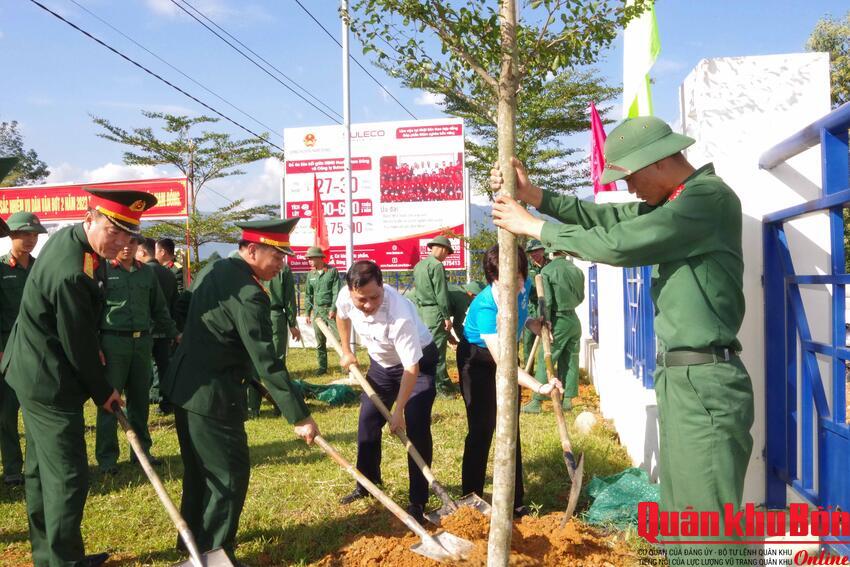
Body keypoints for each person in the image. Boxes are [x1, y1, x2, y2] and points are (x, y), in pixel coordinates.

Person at [490, 116, 754, 553]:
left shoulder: (706, 198)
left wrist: (535, 226)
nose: (629, 188)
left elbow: (618, 244)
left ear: (656, 162)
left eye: (629, 176)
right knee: (683, 521)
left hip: (705, 379)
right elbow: (606, 218)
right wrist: (536, 197)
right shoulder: (677, 202)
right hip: (684, 378)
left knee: (708, 529)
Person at [2, 188, 157, 567]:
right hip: (48, 380)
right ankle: (65, 562)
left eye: (129, 235)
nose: (120, 242)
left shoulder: (71, 240)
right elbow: (77, 345)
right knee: (69, 476)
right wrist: (104, 390)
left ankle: (50, 556)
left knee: (40, 472)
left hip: (32, 368)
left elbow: (77, 328)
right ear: (90, 219)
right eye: (113, 230)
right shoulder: (71, 270)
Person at [160, 219, 319, 562]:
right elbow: (267, 361)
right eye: (276, 256)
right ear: (251, 250)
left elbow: (183, 305)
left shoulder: (216, 268)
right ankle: (214, 552)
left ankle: (192, 546)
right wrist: (300, 415)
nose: (281, 264)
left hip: (185, 385)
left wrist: (192, 340)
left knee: (199, 471)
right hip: (213, 396)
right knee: (229, 474)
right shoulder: (249, 294)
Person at [458, 244, 563, 517]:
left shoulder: (524, 283)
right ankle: (471, 499)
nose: (515, 286)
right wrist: (539, 386)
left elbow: (521, 313)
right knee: (482, 429)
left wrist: (533, 324)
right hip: (477, 360)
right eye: (506, 282)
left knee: (510, 427)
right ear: (492, 278)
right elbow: (504, 363)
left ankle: (516, 501)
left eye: (518, 278)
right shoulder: (485, 306)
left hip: (505, 349)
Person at [335, 260, 437, 524]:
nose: (368, 305)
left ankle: (418, 501)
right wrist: (347, 350)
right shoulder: (347, 295)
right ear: (351, 291)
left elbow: (411, 368)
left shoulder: (399, 314)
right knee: (368, 420)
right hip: (381, 365)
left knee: (415, 426)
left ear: (382, 286)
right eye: (362, 300)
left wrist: (399, 410)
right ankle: (367, 483)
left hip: (417, 364)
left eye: (374, 297)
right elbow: (341, 316)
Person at [95, 236, 178, 473]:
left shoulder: (147, 274)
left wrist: (175, 333)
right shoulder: (102, 271)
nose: (126, 247)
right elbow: (93, 309)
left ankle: (142, 452)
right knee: (110, 402)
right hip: (113, 342)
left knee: (140, 400)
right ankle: (107, 460)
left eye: (131, 243)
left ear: (138, 248)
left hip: (142, 342)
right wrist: (95, 344)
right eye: (122, 243)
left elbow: (159, 308)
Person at [0, 211, 46, 485]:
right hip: (7, 349)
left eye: (34, 235)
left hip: (37, 351)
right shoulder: (1, 269)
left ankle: (35, 466)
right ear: (11, 236)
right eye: (24, 234)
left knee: (36, 413)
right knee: (6, 413)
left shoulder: (41, 269)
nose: (30, 239)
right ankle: (13, 468)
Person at [525, 247, 584, 414]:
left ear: (550, 253)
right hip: (574, 319)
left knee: (546, 358)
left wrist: (545, 322)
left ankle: (537, 401)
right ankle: (567, 400)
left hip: (557, 320)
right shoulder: (577, 270)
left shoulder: (547, 271)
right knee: (571, 359)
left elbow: (546, 301)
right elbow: (581, 297)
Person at [246, 259, 301, 419]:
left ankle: (253, 408)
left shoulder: (253, 267)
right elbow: (290, 299)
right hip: (276, 316)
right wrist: (292, 323)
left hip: (254, 314)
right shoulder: (283, 269)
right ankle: (281, 405)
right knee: (277, 363)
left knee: (255, 361)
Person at [136, 237, 179, 415]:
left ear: (143, 252)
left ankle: (141, 404)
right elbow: (174, 303)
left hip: (147, 329)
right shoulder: (169, 273)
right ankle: (167, 403)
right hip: (165, 328)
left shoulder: (143, 273)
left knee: (143, 371)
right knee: (164, 368)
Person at [412, 235, 456, 396]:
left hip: (422, 311)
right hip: (435, 312)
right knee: (438, 351)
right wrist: (446, 316)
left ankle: (427, 381)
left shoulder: (419, 266)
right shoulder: (437, 266)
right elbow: (441, 294)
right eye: (448, 253)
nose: (446, 257)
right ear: (443, 249)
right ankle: (440, 386)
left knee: (423, 349)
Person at [304, 246, 341, 376]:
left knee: (339, 340)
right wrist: (307, 313)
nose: (309, 261)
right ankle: (322, 367)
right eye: (308, 259)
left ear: (320, 258)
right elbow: (308, 294)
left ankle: (345, 366)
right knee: (320, 342)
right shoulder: (310, 274)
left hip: (330, 311)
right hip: (317, 312)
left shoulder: (332, 271)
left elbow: (337, 291)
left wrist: (333, 309)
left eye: (311, 258)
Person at [521, 239, 547, 368]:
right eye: (531, 252)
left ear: (542, 250)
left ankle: (546, 369)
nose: (534, 254)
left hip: (547, 306)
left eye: (536, 250)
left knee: (547, 338)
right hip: (532, 306)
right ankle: (528, 370)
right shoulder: (526, 269)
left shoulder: (550, 265)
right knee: (528, 341)